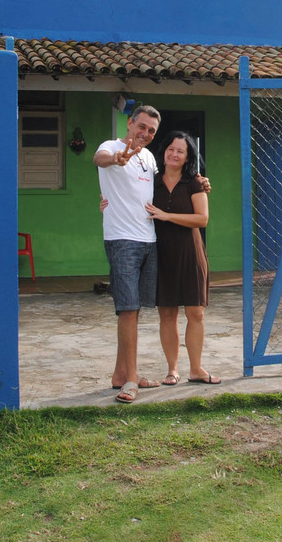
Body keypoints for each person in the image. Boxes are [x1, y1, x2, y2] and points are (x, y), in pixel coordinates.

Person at [94, 105, 163, 404]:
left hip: (149, 238)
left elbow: (155, 189)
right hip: (122, 239)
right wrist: (116, 159)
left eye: (151, 131)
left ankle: (120, 374)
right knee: (128, 308)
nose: (145, 134)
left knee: (133, 311)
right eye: (142, 127)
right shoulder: (111, 147)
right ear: (130, 122)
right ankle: (132, 379)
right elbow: (99, 159)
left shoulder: (149, 156)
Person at [144, 131, 221, 386]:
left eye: (180, 151)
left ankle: (196, 369)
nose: (174, 154)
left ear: (188, 157)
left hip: (190, 252)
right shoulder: (150, 181)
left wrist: (166, 216)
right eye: (170, 149)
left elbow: (202, 219)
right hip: (161, 253)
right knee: (167, 314)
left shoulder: (195, 183)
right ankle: (172, 370)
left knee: (195, 313)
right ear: (164, 151)